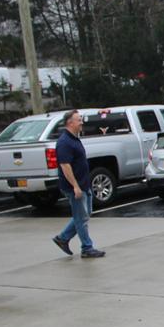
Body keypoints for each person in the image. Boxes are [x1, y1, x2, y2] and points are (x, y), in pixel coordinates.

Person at [51, 109, 105, 259]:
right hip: (74, 187)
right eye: (79, 120)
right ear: (70, 123)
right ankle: (87, 248)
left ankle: (62, 238)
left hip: (83, 184)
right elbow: (65, 166)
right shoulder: (64, 142)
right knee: (81, 218)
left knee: (84, 215)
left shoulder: (74, 139)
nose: (82, 122)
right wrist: (75, 186)